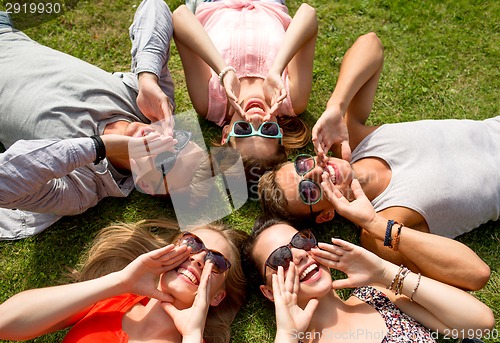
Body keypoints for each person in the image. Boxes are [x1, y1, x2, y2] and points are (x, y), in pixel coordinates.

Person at [258, 32, 499, 288]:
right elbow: (473, 275)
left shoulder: (355, 140)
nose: (317, 173)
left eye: (303, 165)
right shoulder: (380, 229)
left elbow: (371, 44)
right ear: (326, 215)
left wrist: (336, 107)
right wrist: (374, 223)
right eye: (308, 191)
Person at [0, 1, 211, 239]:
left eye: (165, 159)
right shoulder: (143, 105)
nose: (160, 137)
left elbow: (4, 184)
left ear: (147, 185)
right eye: (178, 138)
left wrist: (99, 146)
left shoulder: (81, 188)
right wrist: (147, 79)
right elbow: (154, 7)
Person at [243, 213, 495, 343]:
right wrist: (287, 336)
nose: (299, 254)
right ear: (268, 291)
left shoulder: (378, 295)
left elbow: (480, 322)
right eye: (280, 258)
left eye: (301, 240)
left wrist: (386, 273)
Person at [0, 219, 248, 343]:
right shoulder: (113, 298)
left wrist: (193, 335)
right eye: (193, 244)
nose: (199, 259)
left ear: (218, 296)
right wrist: (120, 281)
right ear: (169, 250)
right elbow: (5, 322)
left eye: (217, 262)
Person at [171, 0, 317, 171]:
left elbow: (180, 16)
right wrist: (276, 70)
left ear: (226, 133)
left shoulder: (210, 102)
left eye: (243, 129)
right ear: (280, 132)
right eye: (268, 130)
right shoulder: (292, 98)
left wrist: (224, 71)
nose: (255, 118)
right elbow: (308, 14)